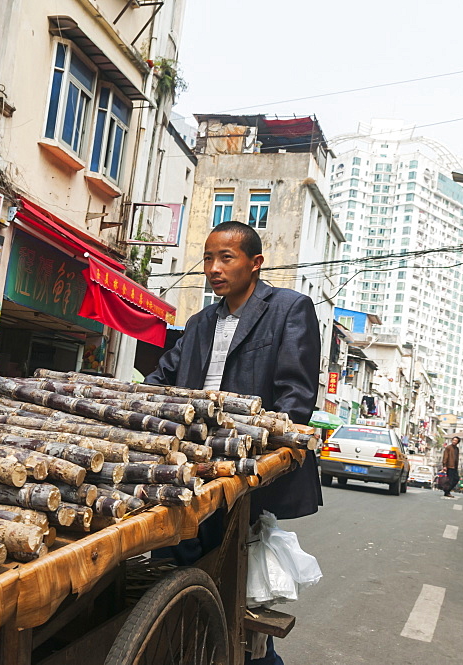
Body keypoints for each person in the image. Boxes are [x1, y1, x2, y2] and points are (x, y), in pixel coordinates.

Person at [146, 221, 322, 664]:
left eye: (226, 257)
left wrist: (253, 460)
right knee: (177, 567)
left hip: (244, 474)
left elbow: (295, 399)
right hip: (190, 466)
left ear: (255, 263)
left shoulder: (289, 309)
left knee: (236, 593)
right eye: (208, 258)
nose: (213, 268)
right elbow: (161, 379)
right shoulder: (200, 322)